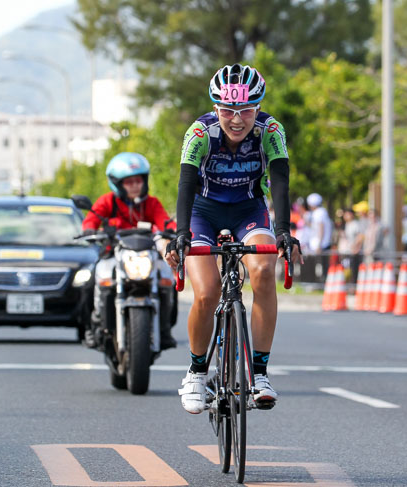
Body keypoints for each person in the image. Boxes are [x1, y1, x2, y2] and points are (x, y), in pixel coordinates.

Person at [164, 63, 302, 414]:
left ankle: (259, 372)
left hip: (248, 210)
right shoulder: (200, 133)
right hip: (202, 212)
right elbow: (185, 183)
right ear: (216, 108)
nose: (236, 119)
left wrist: (284, 231)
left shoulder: (270, 131)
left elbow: (280, 180)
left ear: (257, 108)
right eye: (228, 110)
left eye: (245, 110)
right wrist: (181, 234)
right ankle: (196, 372)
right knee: (208, 292)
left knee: (263, 272)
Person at [82, 152, 177, 350]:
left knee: (169, 280)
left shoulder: (151, 203)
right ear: (117, 184)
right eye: (129, 182)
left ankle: (165, 329)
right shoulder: (108, 201)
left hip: (145, 256)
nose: (135, 185)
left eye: (138, 181)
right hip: (113, 254)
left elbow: (165, 222)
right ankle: (92, 327)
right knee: (90, 280)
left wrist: (176, 231)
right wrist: (91, 229)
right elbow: (91, 220)